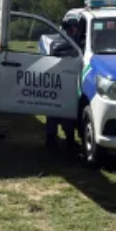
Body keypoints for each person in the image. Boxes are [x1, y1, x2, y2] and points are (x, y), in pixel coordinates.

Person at [44, 18, 81, 150]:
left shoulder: (63, 41)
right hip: (62, 81)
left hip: (62, 81)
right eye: (75, 27)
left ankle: (60, 139)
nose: (76, 30)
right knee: (60, 111)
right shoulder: (67, 43)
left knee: (60, 111)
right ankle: (60, 140)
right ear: (71, 28)